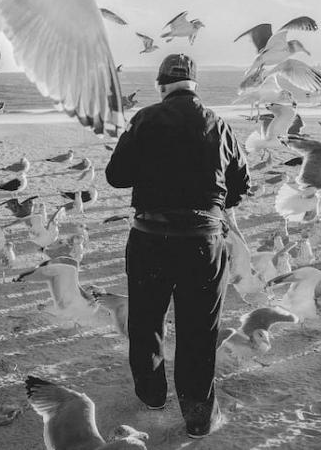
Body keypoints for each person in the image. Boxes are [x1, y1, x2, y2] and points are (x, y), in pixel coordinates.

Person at [105, 53, 250, 439]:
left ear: (161, 84)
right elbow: (240, 185)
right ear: (194, 84)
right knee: (199, 331)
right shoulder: (219, 124)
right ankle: (199, 419)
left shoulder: (145, 119)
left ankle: (152, 396)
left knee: (147, 321)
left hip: (150, 237)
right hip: (203, 241)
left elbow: (116, 176)